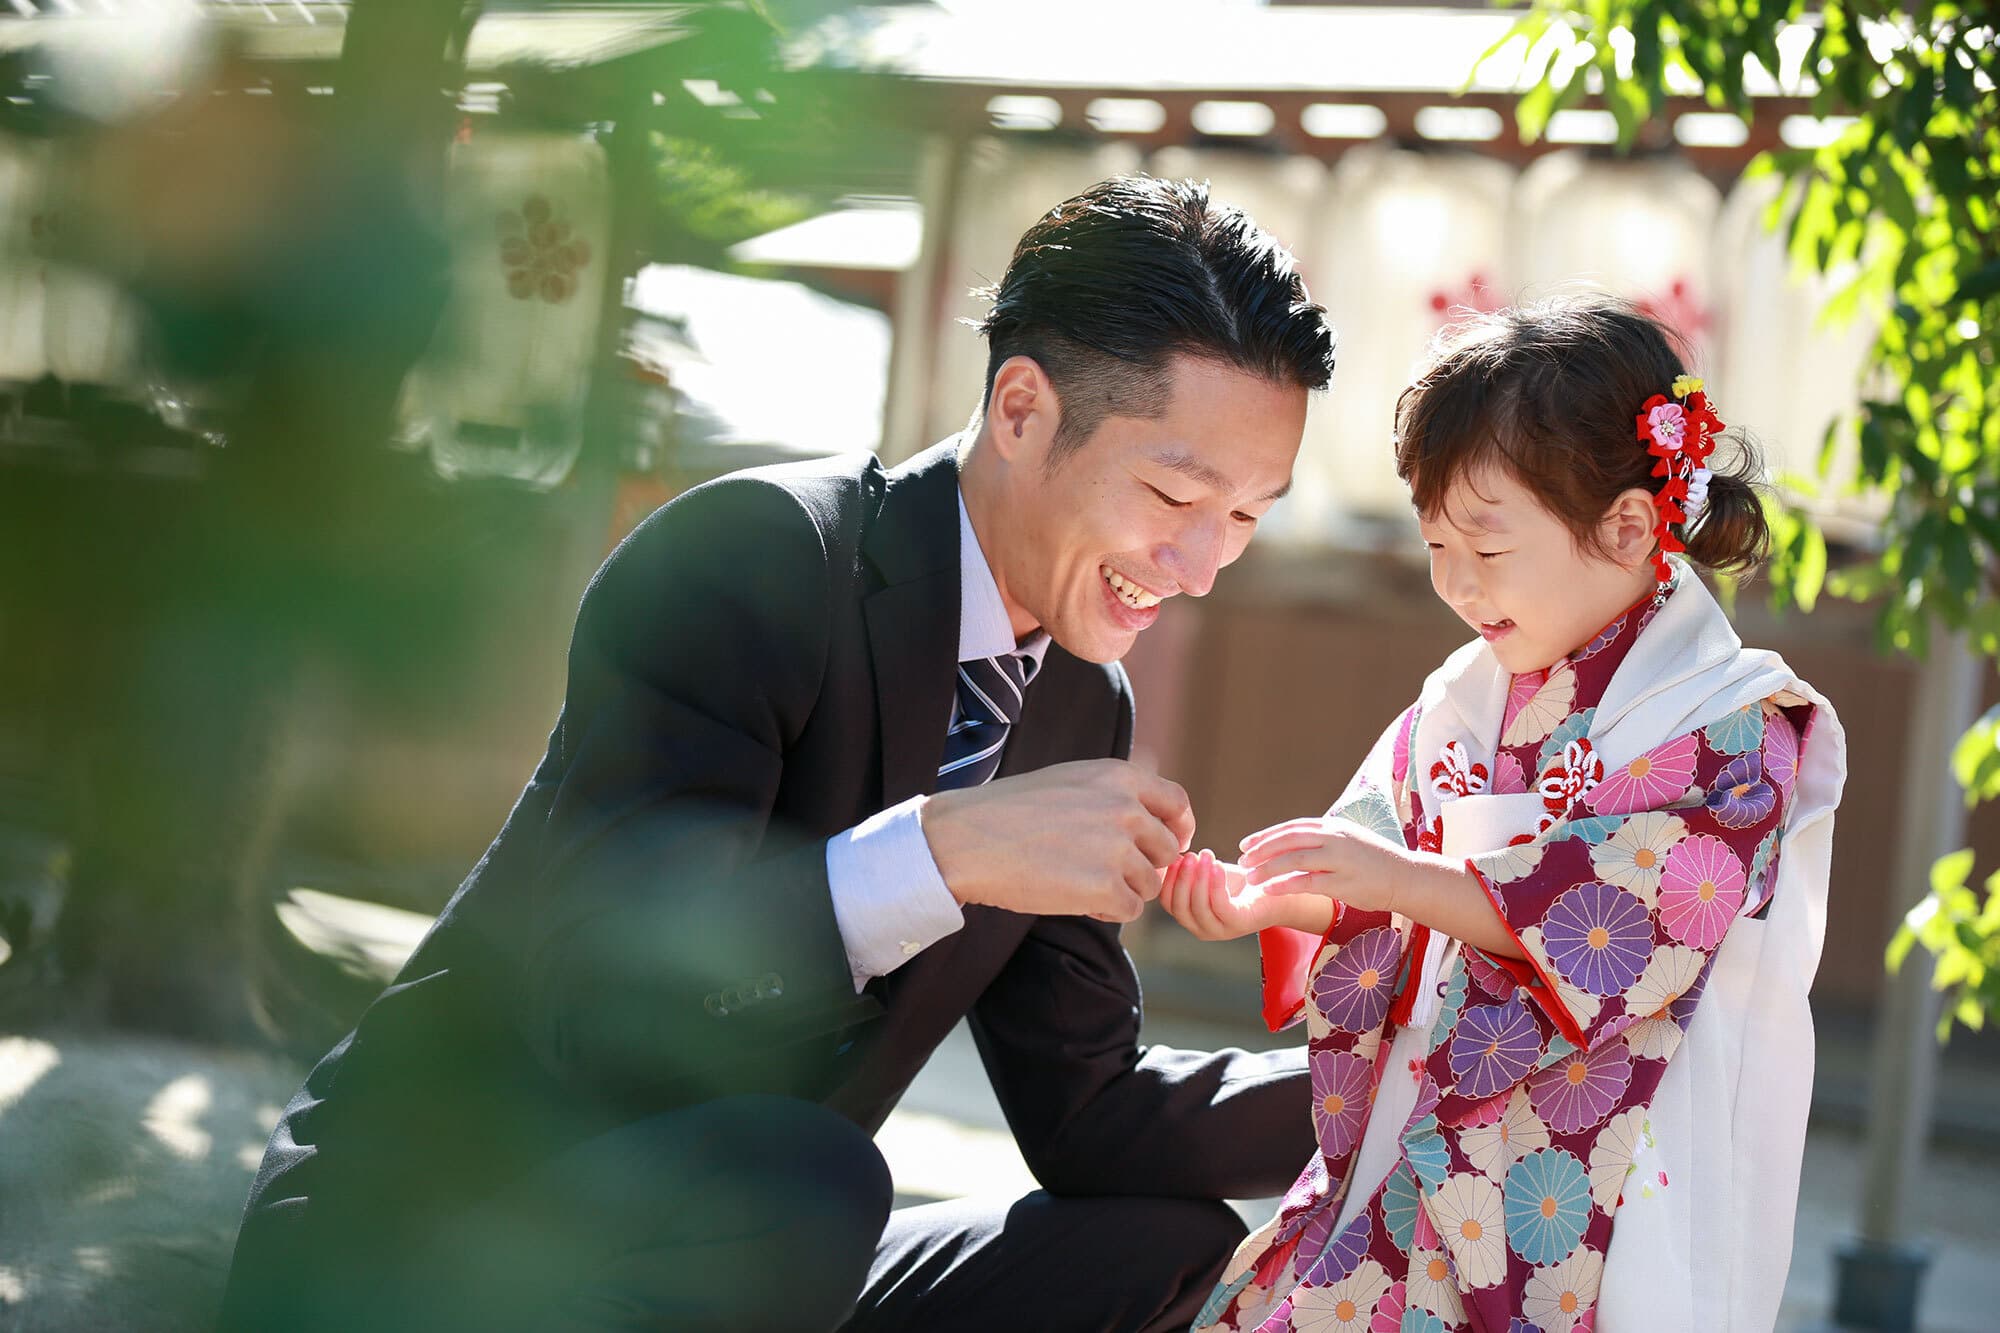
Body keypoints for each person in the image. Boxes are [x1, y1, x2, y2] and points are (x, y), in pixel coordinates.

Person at [217, 175, 1339, 1333]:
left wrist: (1402, 1076)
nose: (1202, 564)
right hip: (438, 1234)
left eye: (1247, 517)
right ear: (1020, 411)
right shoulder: (754, 555)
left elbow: (1090, 1115)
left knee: (1157, 1240)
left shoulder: (1075, 706)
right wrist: (936, 855)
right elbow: (605, 993)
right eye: (1174, 493)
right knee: (807, 1176)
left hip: (738, 1254)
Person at [1160, 297, 1846, 1332]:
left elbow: (1620, 926)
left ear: (1625, 527)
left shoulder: (1735, 723)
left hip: (1600, 1190)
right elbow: (1380, 880)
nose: (1454, 585)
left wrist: (1391, 881)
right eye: (1435, 545)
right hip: (1425, 1147)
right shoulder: (1465, 696)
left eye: (1485, 548)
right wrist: (1276, 903)